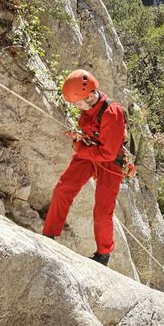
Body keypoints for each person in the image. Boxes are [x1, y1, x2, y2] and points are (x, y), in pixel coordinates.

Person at [42, 69, 126, 266]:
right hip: (90, 150)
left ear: (90, 96)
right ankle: (49, 234)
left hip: (110, 161)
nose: (77, 107)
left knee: (102, 210)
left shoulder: (112, 114)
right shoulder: (88, 105)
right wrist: (81, 140)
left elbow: (108, 153)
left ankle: (103, 254)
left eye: (78, 103)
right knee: (64, 188)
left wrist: (80, 149)